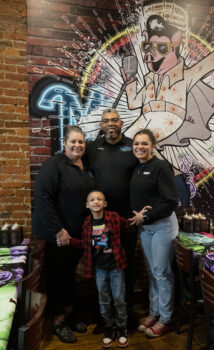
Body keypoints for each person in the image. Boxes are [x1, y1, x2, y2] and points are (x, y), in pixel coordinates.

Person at [57, 191, 146, 348]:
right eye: (92, 199)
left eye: (99, 199)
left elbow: (129, 225)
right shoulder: (86, 223)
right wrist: (69, 241)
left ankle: (122, 328)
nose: (96, 201)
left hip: (116, 267)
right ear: (87, 205)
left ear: (105, 203)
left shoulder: (113, 217)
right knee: (103, 301)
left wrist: (139, 218)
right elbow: (84, 244)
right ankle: (109, 327)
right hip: (99, 269)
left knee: (119, 299)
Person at [32, 125, 95, 343]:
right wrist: (58, 229)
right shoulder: (54, 165)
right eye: (73, 142)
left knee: (69, 276)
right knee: (58, 277)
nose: (78, 145)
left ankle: (69, 315)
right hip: (59, 235)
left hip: (77, 235)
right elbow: (42, 199)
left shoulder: (84, 166)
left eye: (81, 142)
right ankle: (58, 321)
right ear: (64, 143)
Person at [85, 108, 139, 327]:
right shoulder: (91, 148)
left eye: (114, 120)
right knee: (100, 266)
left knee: (128, 266)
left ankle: (127, 315)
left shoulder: (131, 146)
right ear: (100, 125)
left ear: (121, 122)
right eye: (106, 120)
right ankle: (103, 316)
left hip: (126, 220)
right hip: (100, 221)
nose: (110, 123)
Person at [129, 129, 179, 338]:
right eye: (136, 144)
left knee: (161, 272)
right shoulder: (138, 168)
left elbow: (170, 202)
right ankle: (154, 313)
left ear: (153, 145)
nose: (139, 147)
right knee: (152, 272)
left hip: (162, 226)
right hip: (146, 229)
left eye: (144, 144)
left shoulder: (161, 166)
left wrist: (146, 217)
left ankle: (165, 319)